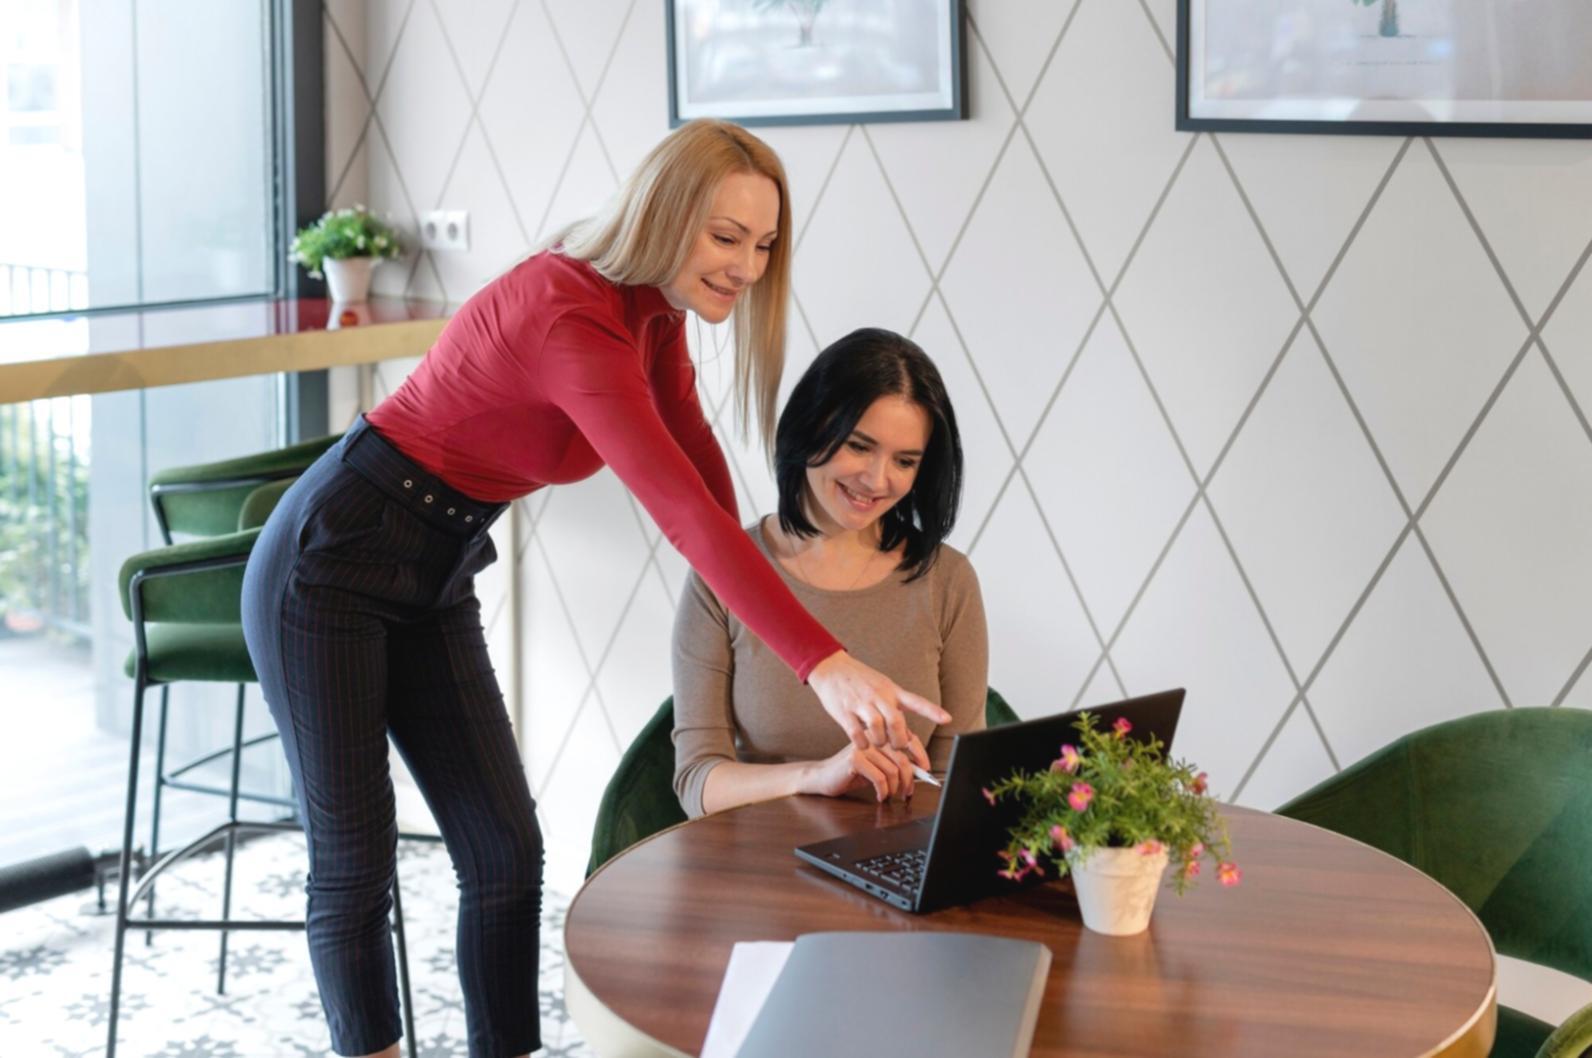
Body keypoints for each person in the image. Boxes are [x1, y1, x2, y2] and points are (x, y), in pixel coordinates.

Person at [240, 120, 949, 1058]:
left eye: (765, 244)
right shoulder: (569, 316)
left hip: (437, 564)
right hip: (331, 556)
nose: (746, 266)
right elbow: (682, 517)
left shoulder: (652, 317)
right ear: (663, 217)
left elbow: (709, 493)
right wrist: (823, 662)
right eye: (725, 237)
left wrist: (799, 630)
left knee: (505, 856)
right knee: (355, 861)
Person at [673, 329, 988, 819]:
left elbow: (959, 783)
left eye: (905, 461)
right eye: (860, 446)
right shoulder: (724, 575)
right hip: (756, 869)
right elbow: (698, 783)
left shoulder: (948, 580)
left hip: (896, 868)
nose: (877, 480)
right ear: (812, 425)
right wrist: (815, 777)